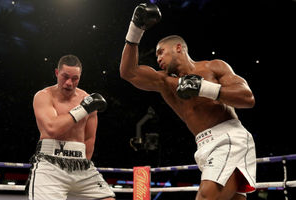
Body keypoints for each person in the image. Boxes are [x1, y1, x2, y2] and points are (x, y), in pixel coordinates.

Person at [120, 3, 256, 200]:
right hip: (202, 144)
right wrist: (135, 29)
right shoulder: (164, 81)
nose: (157, 58)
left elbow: (247, 98)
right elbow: (128, 72)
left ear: (178, 48)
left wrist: (204, 88)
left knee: (205, 196)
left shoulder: (213, 67)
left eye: (161, 52)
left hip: (229, 137)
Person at [26, 55, 115, 200]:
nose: (69, 83)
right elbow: (52, 128)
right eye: (65, 77)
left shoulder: (86, 98)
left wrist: (82, 165)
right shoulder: (44, 96)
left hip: (81, 165)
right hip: (50, 164)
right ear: (56, 73)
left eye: (75, 78)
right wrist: (82, 109)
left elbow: (90, 138)